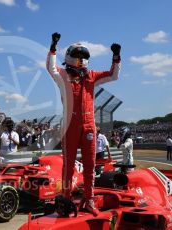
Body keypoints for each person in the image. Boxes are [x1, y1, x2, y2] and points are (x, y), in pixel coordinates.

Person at [46, 32, 121, 216]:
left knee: (90, 164)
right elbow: (50, 68)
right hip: (70, 125)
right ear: (70, 57)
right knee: (68, 165)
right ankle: (66, 198)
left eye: (83, 57)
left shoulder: (92, 76)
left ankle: (89, 200)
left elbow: (113, 75)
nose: (80, 59)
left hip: (89, 126)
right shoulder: (63, 75)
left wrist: (116, 57)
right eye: (77, 56)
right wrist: (53, 47)